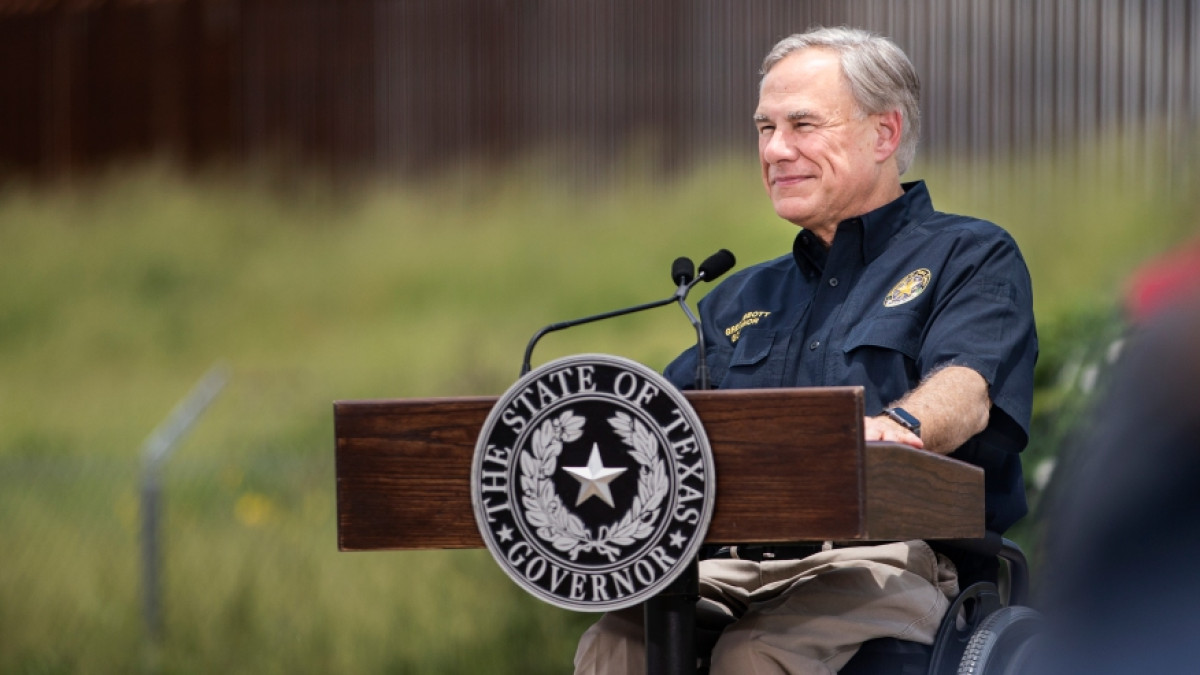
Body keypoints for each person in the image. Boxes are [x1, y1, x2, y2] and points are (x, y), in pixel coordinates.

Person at [573, 26, 1037, 675]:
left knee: (752, 653)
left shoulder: (968, 255)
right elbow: (662, 425)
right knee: (614, 644)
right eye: (765, 128)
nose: (775, 149)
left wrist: (898, 428)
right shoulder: (734, 297)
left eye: (802, 125)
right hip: (729, 564)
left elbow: (967, 386)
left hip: (888, 564)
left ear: (885, 133)